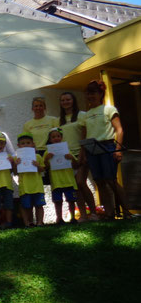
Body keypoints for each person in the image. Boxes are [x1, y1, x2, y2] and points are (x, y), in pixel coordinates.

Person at [79, 80, 134, 219]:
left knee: (111, 180)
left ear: (100, 94)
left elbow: (119, 130)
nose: (90, 96)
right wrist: (83, 153)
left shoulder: (109, 109)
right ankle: (109, 214)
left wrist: (118, 149)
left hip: (108, 146)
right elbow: (84, 135)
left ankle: (127, 212)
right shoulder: (86, 114)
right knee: (99, 182)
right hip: (92, 148)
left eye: (93, 93)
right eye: (88, 93)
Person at [58, 92, 97, 221]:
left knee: (81, 182)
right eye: (63, 100)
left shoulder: (82, 115)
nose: (65, 102)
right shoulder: (59, 120)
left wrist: (82, 153)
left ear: (73, 100)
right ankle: (83, 215)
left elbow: (86, 135)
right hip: (67, 156)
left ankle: (94, 213)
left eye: (68, 99)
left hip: (81, 153)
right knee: (75, 186)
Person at [43, 128, 80, 224]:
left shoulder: (67, 151)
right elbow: (45, 168)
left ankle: (73, 218)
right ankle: (59, 218)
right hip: (56, 182)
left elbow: (76, 166)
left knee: (71, 200)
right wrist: (46, 159)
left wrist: (72, 158)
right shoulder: (47, 152)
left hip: (69, 181)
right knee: (58, 201)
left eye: (58, 136)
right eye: (53, 137)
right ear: (50, 139)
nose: (56, 138)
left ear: (61, 138)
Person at [13, 133, 46, 227]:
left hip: (37, 186)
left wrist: (38, 166)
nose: (26, 145)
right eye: (23, 143)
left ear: (33, 144)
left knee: (39, 205)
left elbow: (43, 169)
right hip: (25, 187)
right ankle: (28, 223)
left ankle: (40, 222)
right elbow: (15, 173)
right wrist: (15, 165)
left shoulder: (38, 157)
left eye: (28, 143)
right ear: (18, 145)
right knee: (26, 206)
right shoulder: (17, 158)